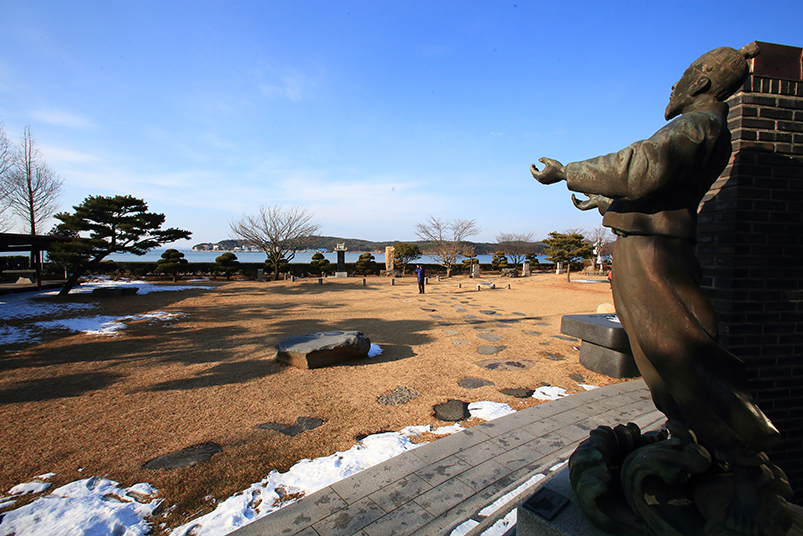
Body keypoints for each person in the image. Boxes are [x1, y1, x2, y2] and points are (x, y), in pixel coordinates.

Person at [532, 43, 790, 534]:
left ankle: (742, 461)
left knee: (679, 351)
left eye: (684, 76)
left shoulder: (698, 123)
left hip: (655, 255)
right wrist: (607, 197)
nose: (674, 86)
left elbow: (644, 164)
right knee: (658, 354)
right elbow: (654, 184)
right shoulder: (706, 127)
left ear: (705, 82)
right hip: (646, 247)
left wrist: (568, 171)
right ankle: (689, 439)